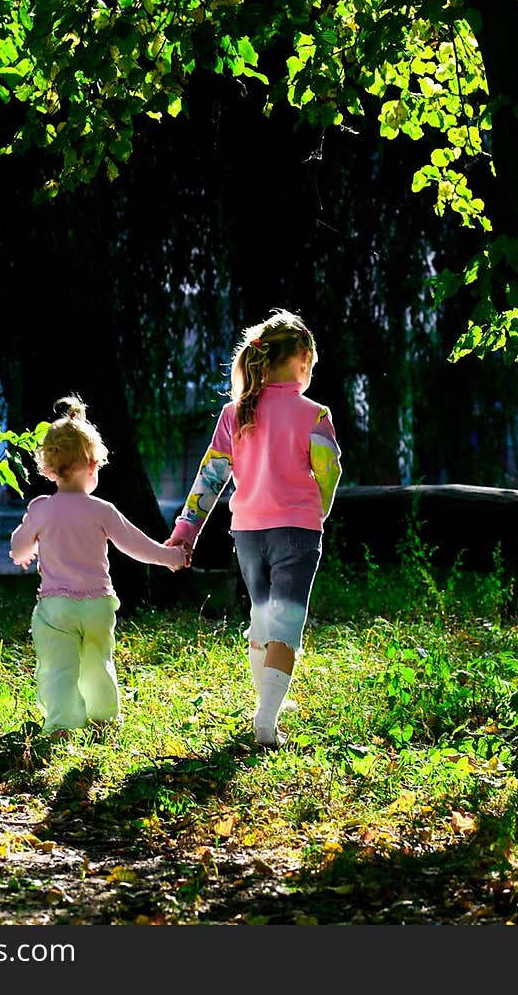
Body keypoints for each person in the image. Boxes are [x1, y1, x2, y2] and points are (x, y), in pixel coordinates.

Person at [166, 309, 342, 748]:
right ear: (302, 358)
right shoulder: (315, 414)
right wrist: (318, 510)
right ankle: (267, 719)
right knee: (286, 624)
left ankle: (268, 700)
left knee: (261, 617)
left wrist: (186, 533)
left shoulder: (234, 413)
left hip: (246, 532)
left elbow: (209, 480)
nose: (310, 374)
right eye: (311, 366)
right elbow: (330, 470)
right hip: (297, 532)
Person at [10, 395, 188, 739]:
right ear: (92, 465)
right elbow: (138, 546)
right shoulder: (101, 510)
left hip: (56, 606)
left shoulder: (41, 509)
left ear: (48, 469)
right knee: (97, 663)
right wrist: (172, 558)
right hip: (96, 605)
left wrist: (25, 552)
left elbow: (18, 547)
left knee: (59, 667)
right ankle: (104, 718)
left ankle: (62, 724)